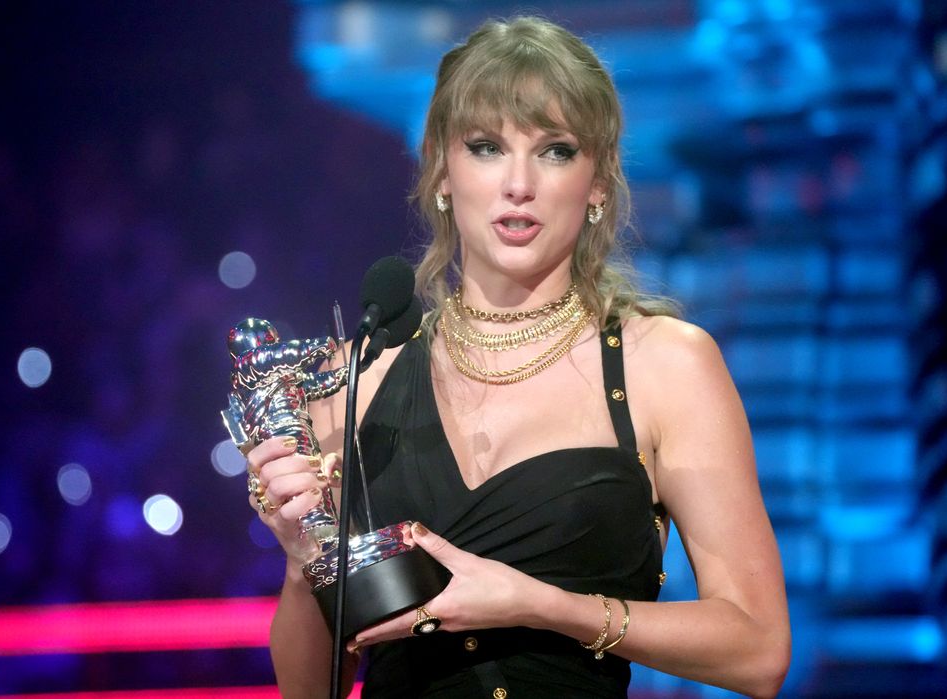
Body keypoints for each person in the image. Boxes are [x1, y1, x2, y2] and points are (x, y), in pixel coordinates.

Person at [246, 16, 791, 699]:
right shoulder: (361, 378)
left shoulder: (664, 366)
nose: (520, 183)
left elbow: (759, 650)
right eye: (486, 147)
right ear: (442, 171)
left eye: (556, 150)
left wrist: (540, 603)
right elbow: (311, 690)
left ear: (598, 184)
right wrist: (303, 567)